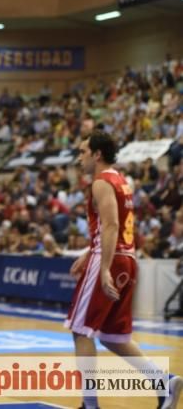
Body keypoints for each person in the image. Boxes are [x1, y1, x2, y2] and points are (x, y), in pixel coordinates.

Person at [65, 130, 182, 409]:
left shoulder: (102, 182)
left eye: (83, 152)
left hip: (111, 258)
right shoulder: (122, 181)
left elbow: (112, 225)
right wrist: (89, 251)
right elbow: (114, 227)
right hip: (127, 258)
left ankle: (89, 405)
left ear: (97, 154)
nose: (79, 157)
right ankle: (163, 382)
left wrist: (101, 266)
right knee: (113, 337)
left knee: (80, 331)